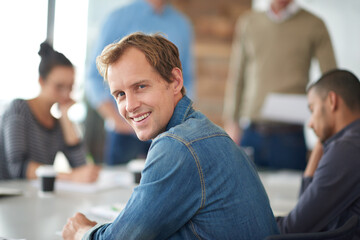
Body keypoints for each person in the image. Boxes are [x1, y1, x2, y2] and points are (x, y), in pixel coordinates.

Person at [62, 32, 279, 240]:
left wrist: (83, 233)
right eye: (120, 94)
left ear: (175, 81)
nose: (130, 106)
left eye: (140, 86)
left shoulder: (178, 145)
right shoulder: (203, 131)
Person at [223, 0, 337, 170]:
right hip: (251, 132)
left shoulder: (314, 25)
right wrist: (232, 122)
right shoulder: (249, 23)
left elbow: (331, 80)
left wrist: (329, 128)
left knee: (291, 195)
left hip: (290, 137)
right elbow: (238, 76)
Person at [85, 0, 195, 165]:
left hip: (169, 132)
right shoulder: (117, 18)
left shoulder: (182, 25)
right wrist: (117, 121)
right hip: (125, 132)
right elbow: (94, 78)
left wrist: (181, 120)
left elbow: (188, 78)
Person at [276, 69, 360, 237]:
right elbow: (307, 211)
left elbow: (294, 228)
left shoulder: (347, 149)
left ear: (331, 100)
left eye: (312, 110)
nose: (310, 123)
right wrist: (322, 144)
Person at [0, 42, 99, 182]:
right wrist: (70, 177)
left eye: (70, 87)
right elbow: (17, 167)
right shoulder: (18, 109)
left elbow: (81, 166)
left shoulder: (57, 123)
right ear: (41, 81)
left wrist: (65, 118)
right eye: (59, 86)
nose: (66, 94)